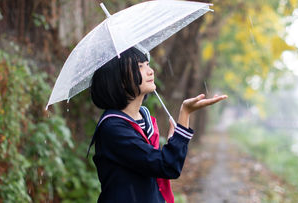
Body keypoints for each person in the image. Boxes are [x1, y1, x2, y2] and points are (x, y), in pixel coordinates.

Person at [87, 47, 227, 203]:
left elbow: (157, 167)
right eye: (140, 66)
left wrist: (175, 139)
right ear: (119, 79)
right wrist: (185, 113)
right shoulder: (113, 128)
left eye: (147, 64)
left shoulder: (144, 118)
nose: (150, 71)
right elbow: (167, 166)